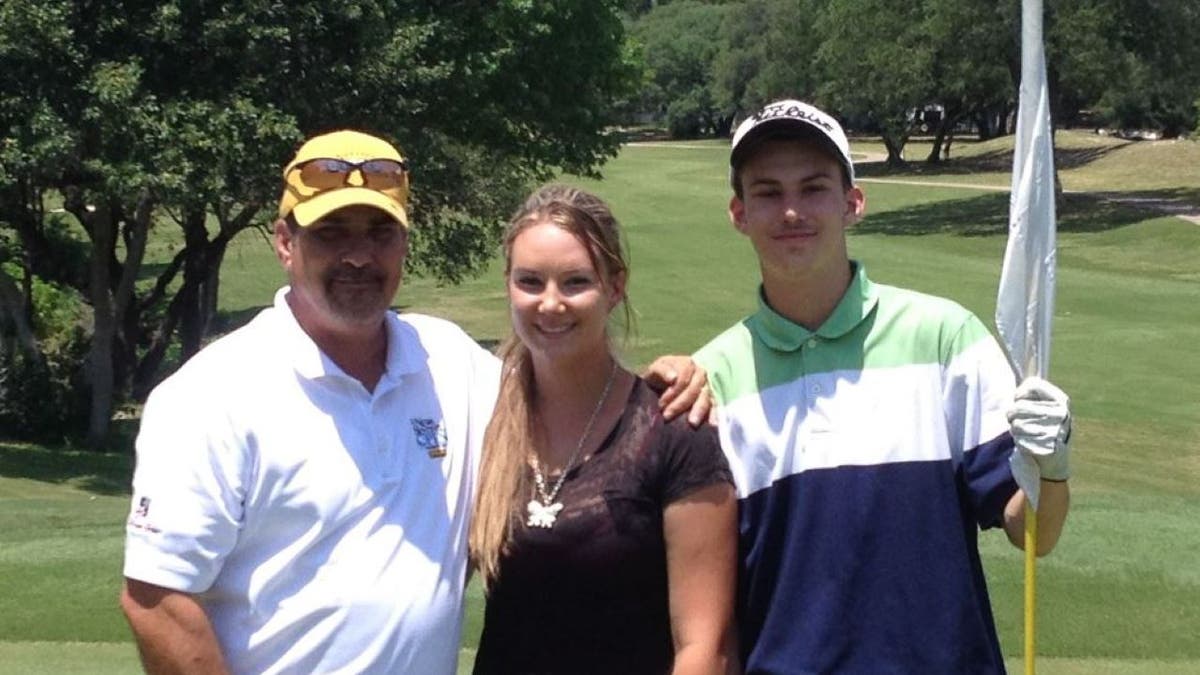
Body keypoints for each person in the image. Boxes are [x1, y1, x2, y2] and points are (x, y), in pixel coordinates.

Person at [119, 131, 709, 674]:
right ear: (284, 242)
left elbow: (570, 382)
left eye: (379, 233)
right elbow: (155, 599)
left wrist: (669, 378)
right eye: (331, 233)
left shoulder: (449, 361)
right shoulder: (210, 395)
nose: (358, 256)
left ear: (403, 241)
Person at [693, 100, 1074, 674]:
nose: (792, 210)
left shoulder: (945, 336)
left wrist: (1050, 466)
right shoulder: (709, 381)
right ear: (739, 213)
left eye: (814, 187)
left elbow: (1034, 534)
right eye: (768, 192)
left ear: (853, 203)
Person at [469, 185, 739, 675]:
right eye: (530, 281)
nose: (550, 304)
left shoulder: (674, 430)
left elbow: (707, 647)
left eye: (575, 282)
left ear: (615, 287)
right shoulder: (481, 416)